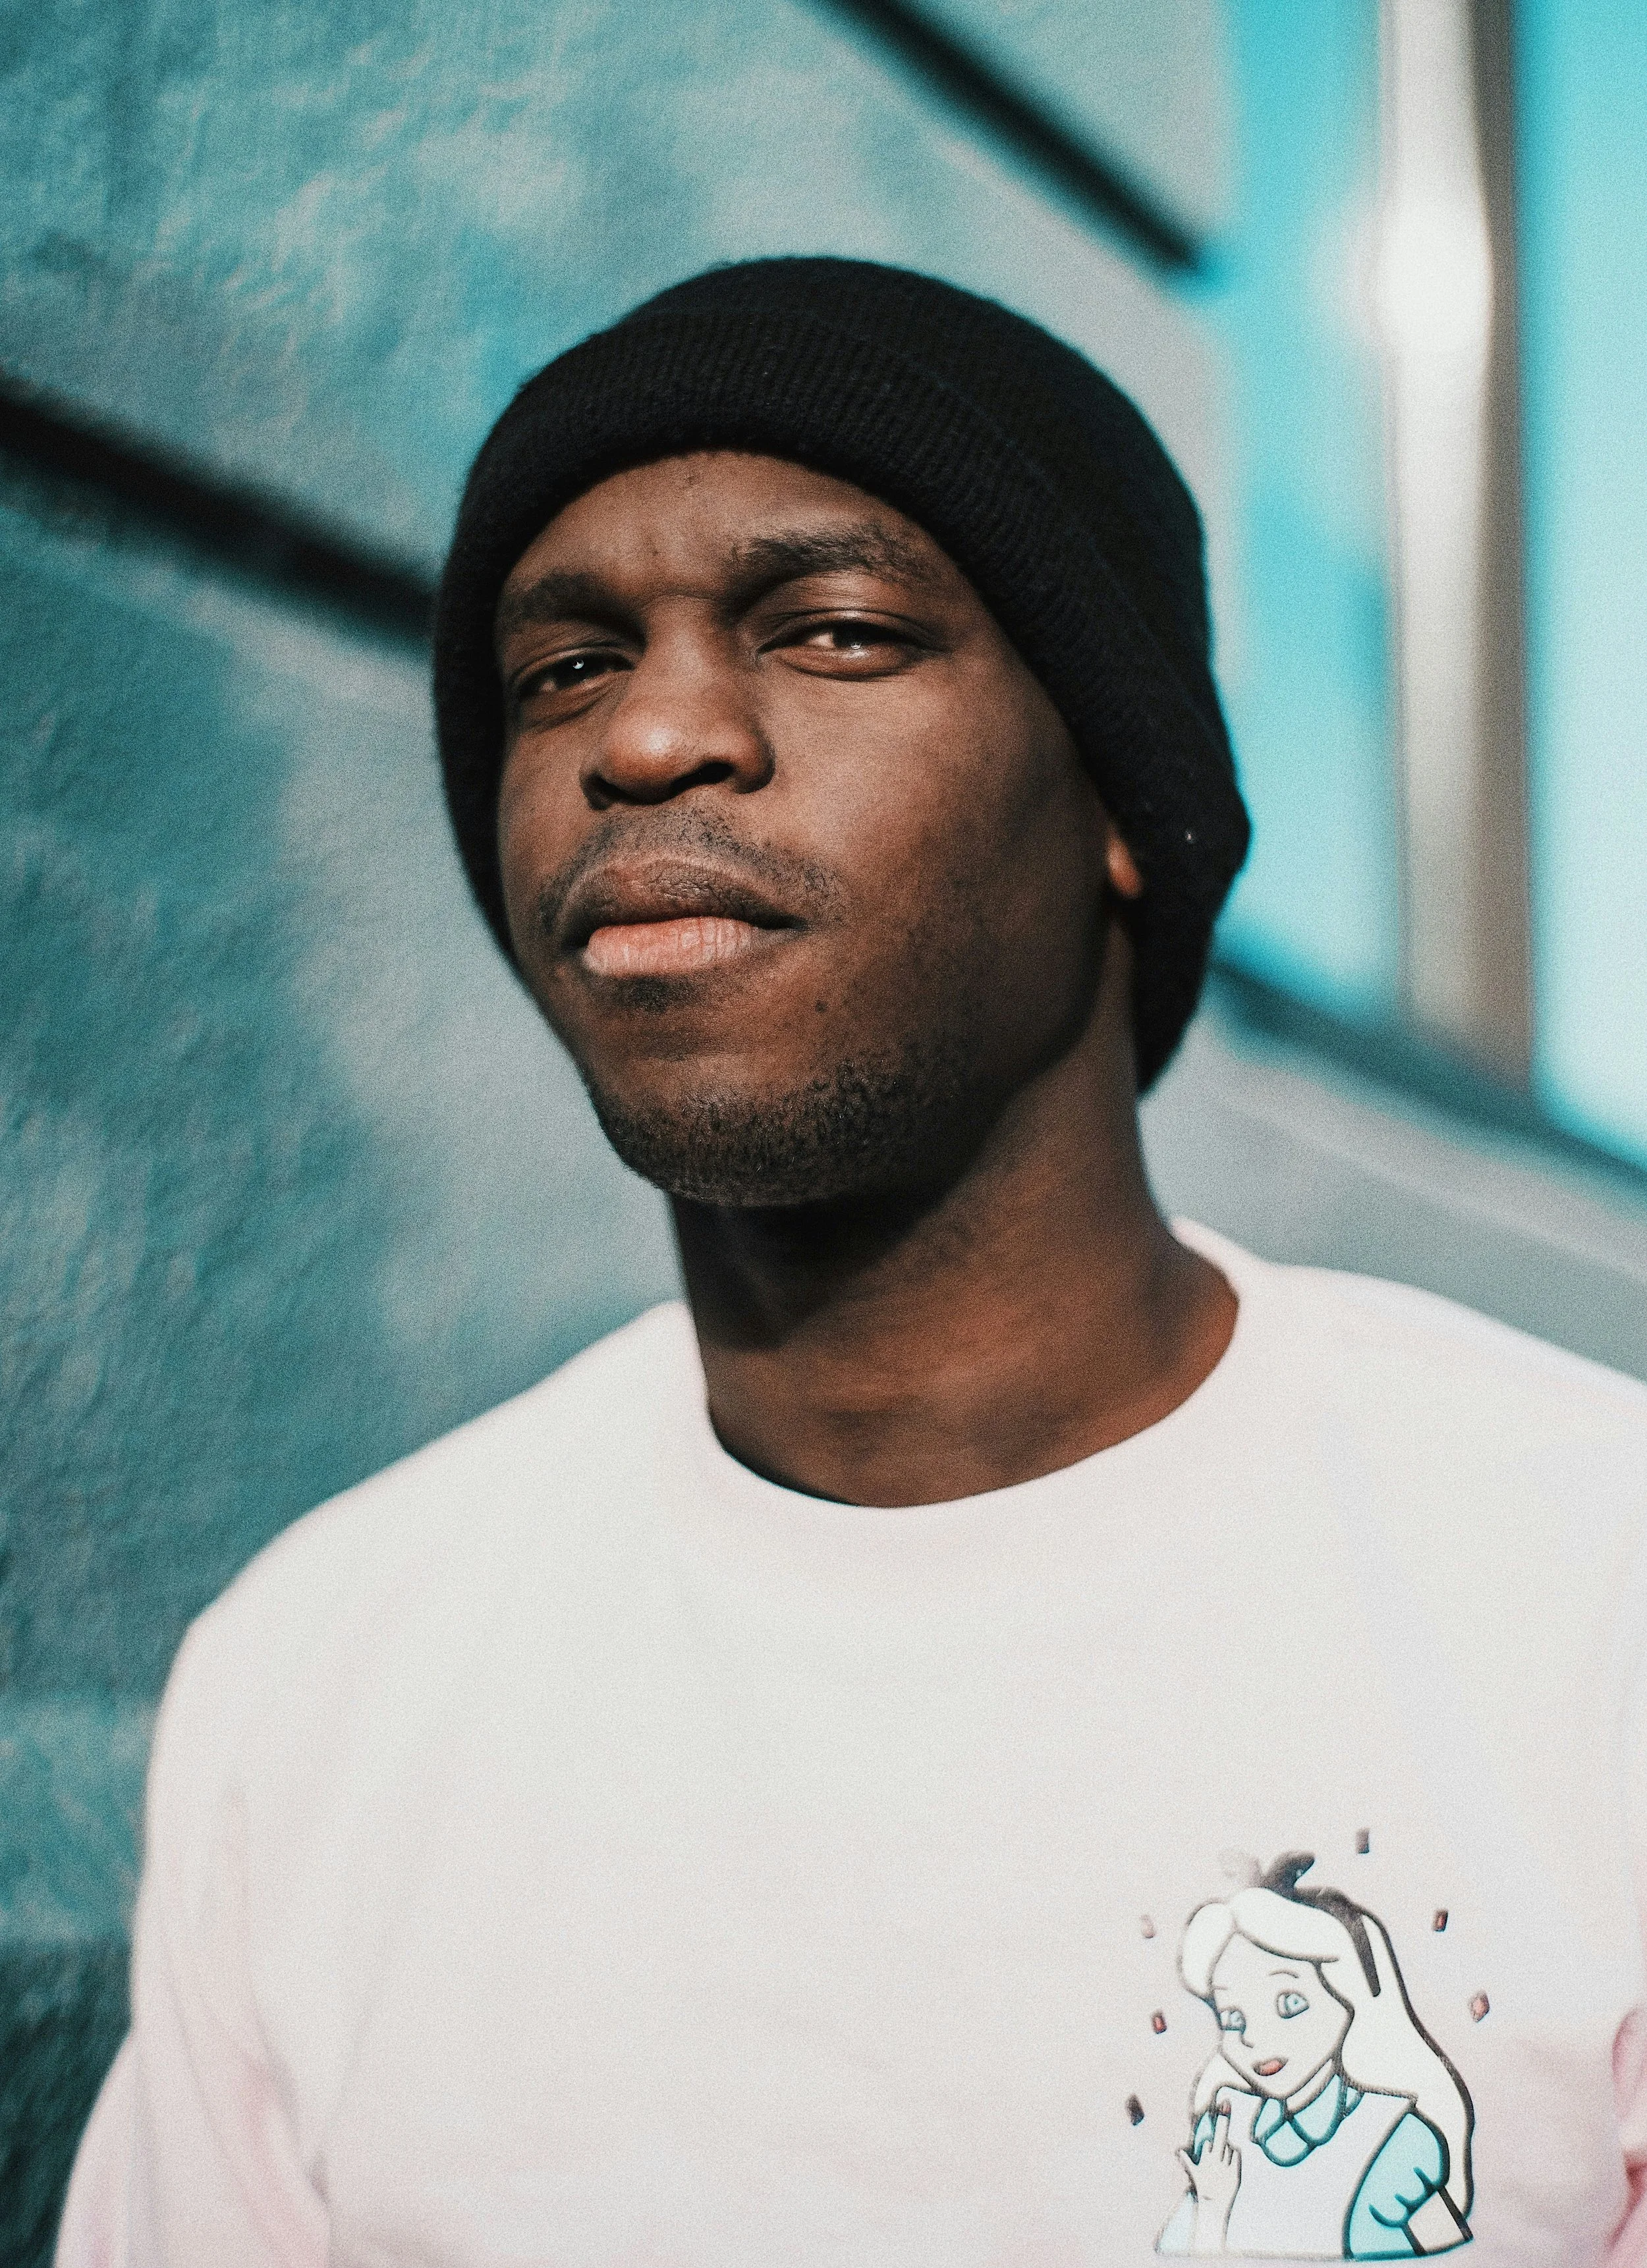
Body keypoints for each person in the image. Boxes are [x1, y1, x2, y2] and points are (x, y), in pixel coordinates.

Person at [55, 258, 1647, 2267]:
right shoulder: (318, 1686)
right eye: (563, 668)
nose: (648, 734)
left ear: (1123, 802)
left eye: (834, 631)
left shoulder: (1589, 1594)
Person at [1158, 1856, 1474, 2258]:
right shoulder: (1222, 2133)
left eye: (1290, 2003)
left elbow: (1455, 2258)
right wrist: (1211, 2209)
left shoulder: (1397, 2138)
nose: (1254, 2038)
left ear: (1347, 1998)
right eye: (1233, 2018)